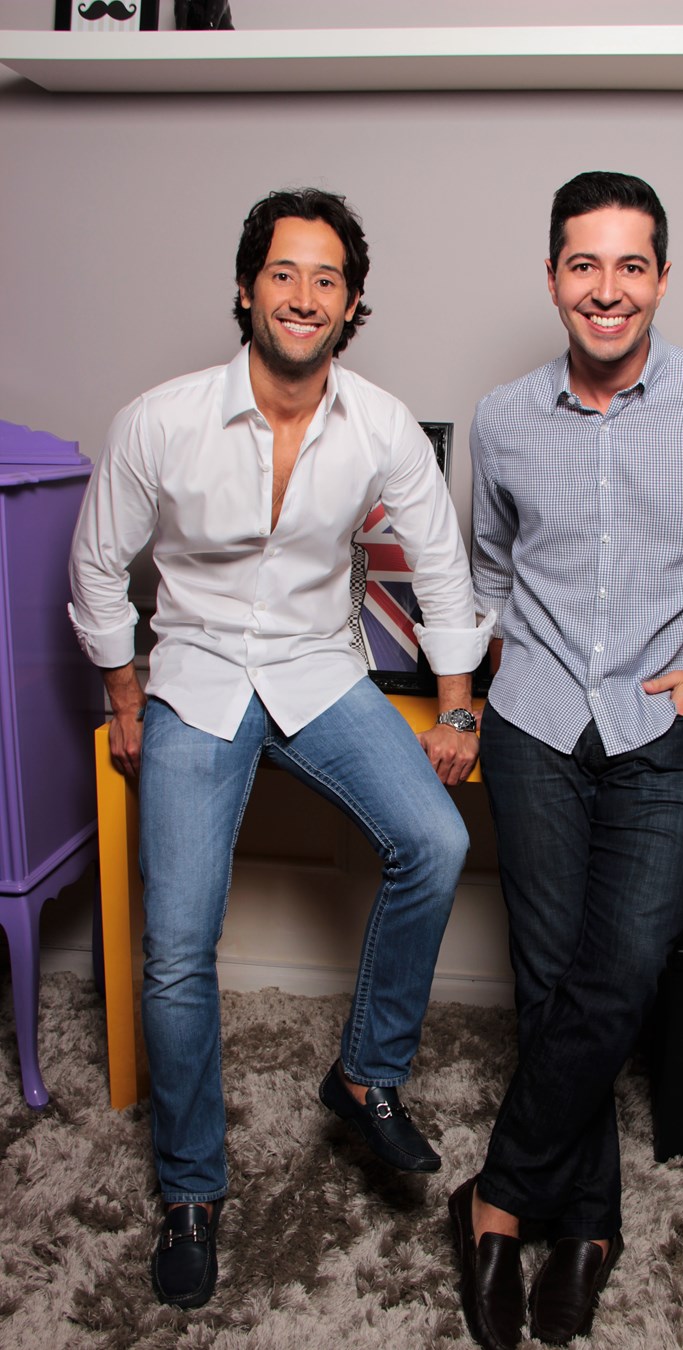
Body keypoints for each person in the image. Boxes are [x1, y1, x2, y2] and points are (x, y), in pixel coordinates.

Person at [68, 187, 492, 1311]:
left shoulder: (382, 425)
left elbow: (441, 564)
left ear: (352, 305)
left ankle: (364, 1077)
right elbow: (98, 564)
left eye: (326, 279)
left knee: (437, 843)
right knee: (177, 949)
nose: (304, 296)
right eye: (284, 273)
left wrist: (457, 707)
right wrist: (124, 691)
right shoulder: (160, 420)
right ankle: (191, 1190)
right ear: (247, 288)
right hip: (196, 678)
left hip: (318, 672)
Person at [450, 171, 683, 1350]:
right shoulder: (503, 418)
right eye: (583, 264)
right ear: (552, 275)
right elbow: (487, 569)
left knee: (622, 973)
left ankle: (497, 1198)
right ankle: (589, 1229)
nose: (606, 289)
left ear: (661, 277)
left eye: (630, 265)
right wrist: (473, 689)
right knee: (553, 980)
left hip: (667, 729)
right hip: (535, 725)